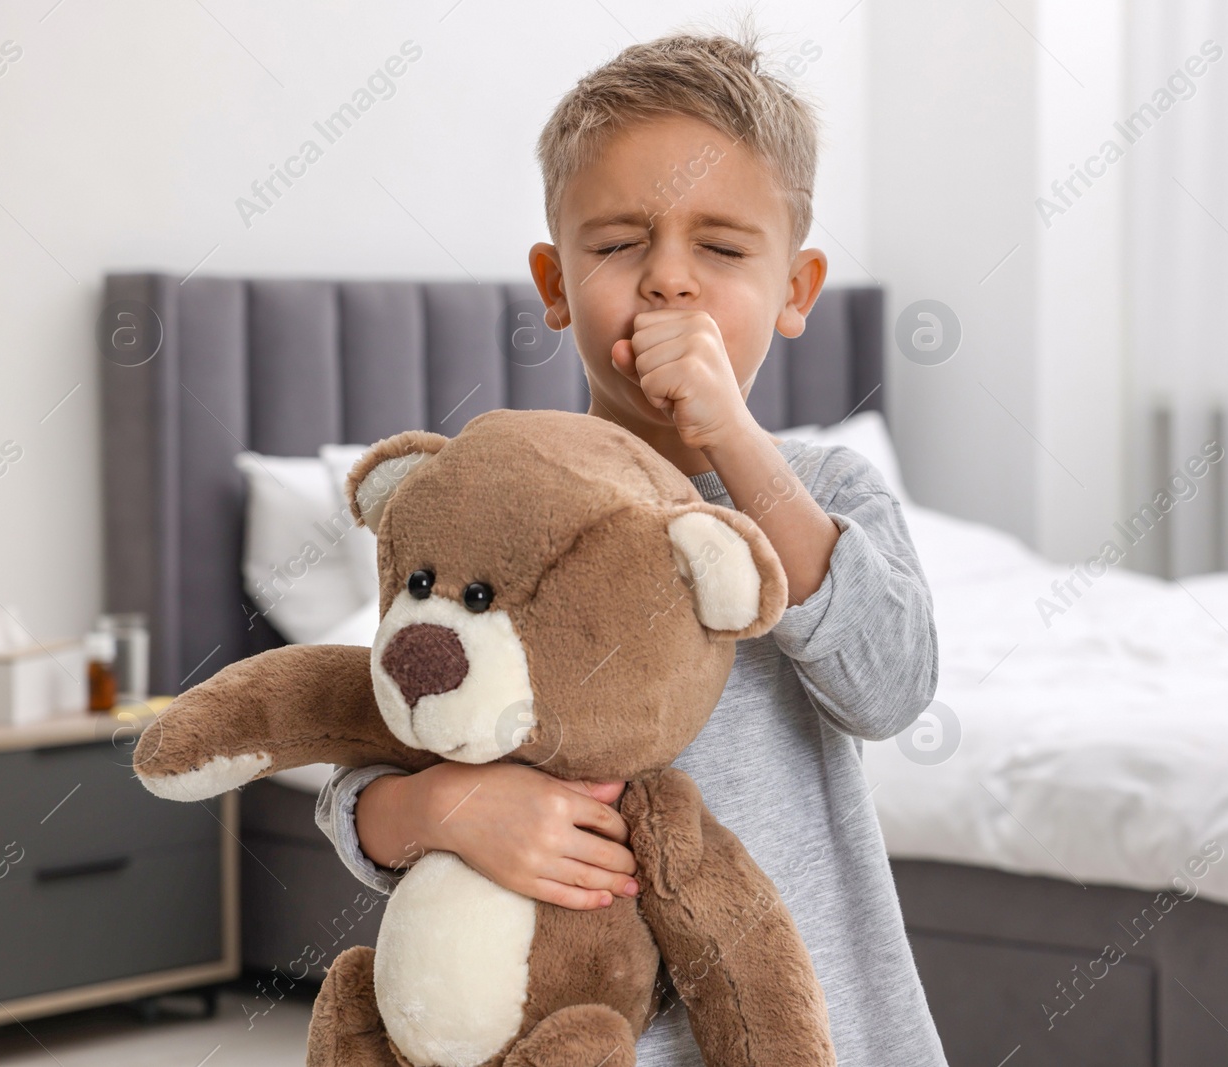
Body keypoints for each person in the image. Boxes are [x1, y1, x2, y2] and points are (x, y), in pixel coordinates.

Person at [316, 26, 947, 1066]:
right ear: (555, 282)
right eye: (616, 244)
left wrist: (733, 442)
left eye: (723, 247)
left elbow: (889, 685)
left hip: (813, 1026)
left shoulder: (826, 492)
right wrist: (440, 804)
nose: (668, 282)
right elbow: (360, 766)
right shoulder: (491, 500)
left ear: (795, 289)